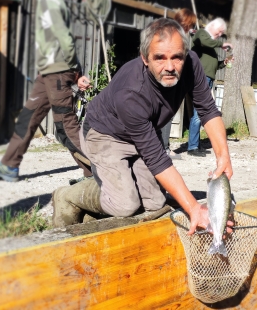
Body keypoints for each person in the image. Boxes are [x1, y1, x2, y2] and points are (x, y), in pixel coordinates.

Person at [58, 18, 233, 234]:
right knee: (125, 205)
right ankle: (68, 195)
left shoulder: (192, 63)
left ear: (185, 54)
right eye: (159, 58)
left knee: (155, 202)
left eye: (177, 57)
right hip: (105, 134)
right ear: (144, 58)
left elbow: (207, 110)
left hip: (144, 131)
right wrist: (194, 208)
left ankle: (120, 177)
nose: (169, 67)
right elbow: (156, 159)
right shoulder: (131, 91)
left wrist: (223, 155)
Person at [0, 0, 92, 183]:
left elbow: (65, 38)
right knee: (28, 117)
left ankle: (97, 173)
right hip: (48, 72)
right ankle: (9, 166)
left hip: (57, 71)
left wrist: (74, 71)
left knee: (65, 125)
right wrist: (74, 71)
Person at [190, 18, 233, 157]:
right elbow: (204, 42)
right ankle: (192, 147)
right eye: (219, 31)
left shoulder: (210, 45)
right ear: (212, 27)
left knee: (202, 112)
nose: (220, 35)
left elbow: (214, 65)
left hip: (207, 79)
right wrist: (221, 44)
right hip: (200, 78)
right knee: (198, 112)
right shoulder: (201, 34)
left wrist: (224, 62)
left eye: (221, 33)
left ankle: (196, 144)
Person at [159, 8, 197, 161]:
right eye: (190, 24)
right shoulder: (176, 35)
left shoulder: (172, 32)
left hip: (171, 77)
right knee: (166, 112)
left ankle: (163, 147)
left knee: (165, 112)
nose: (190, 27)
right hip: (169, 77)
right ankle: (164, 148)